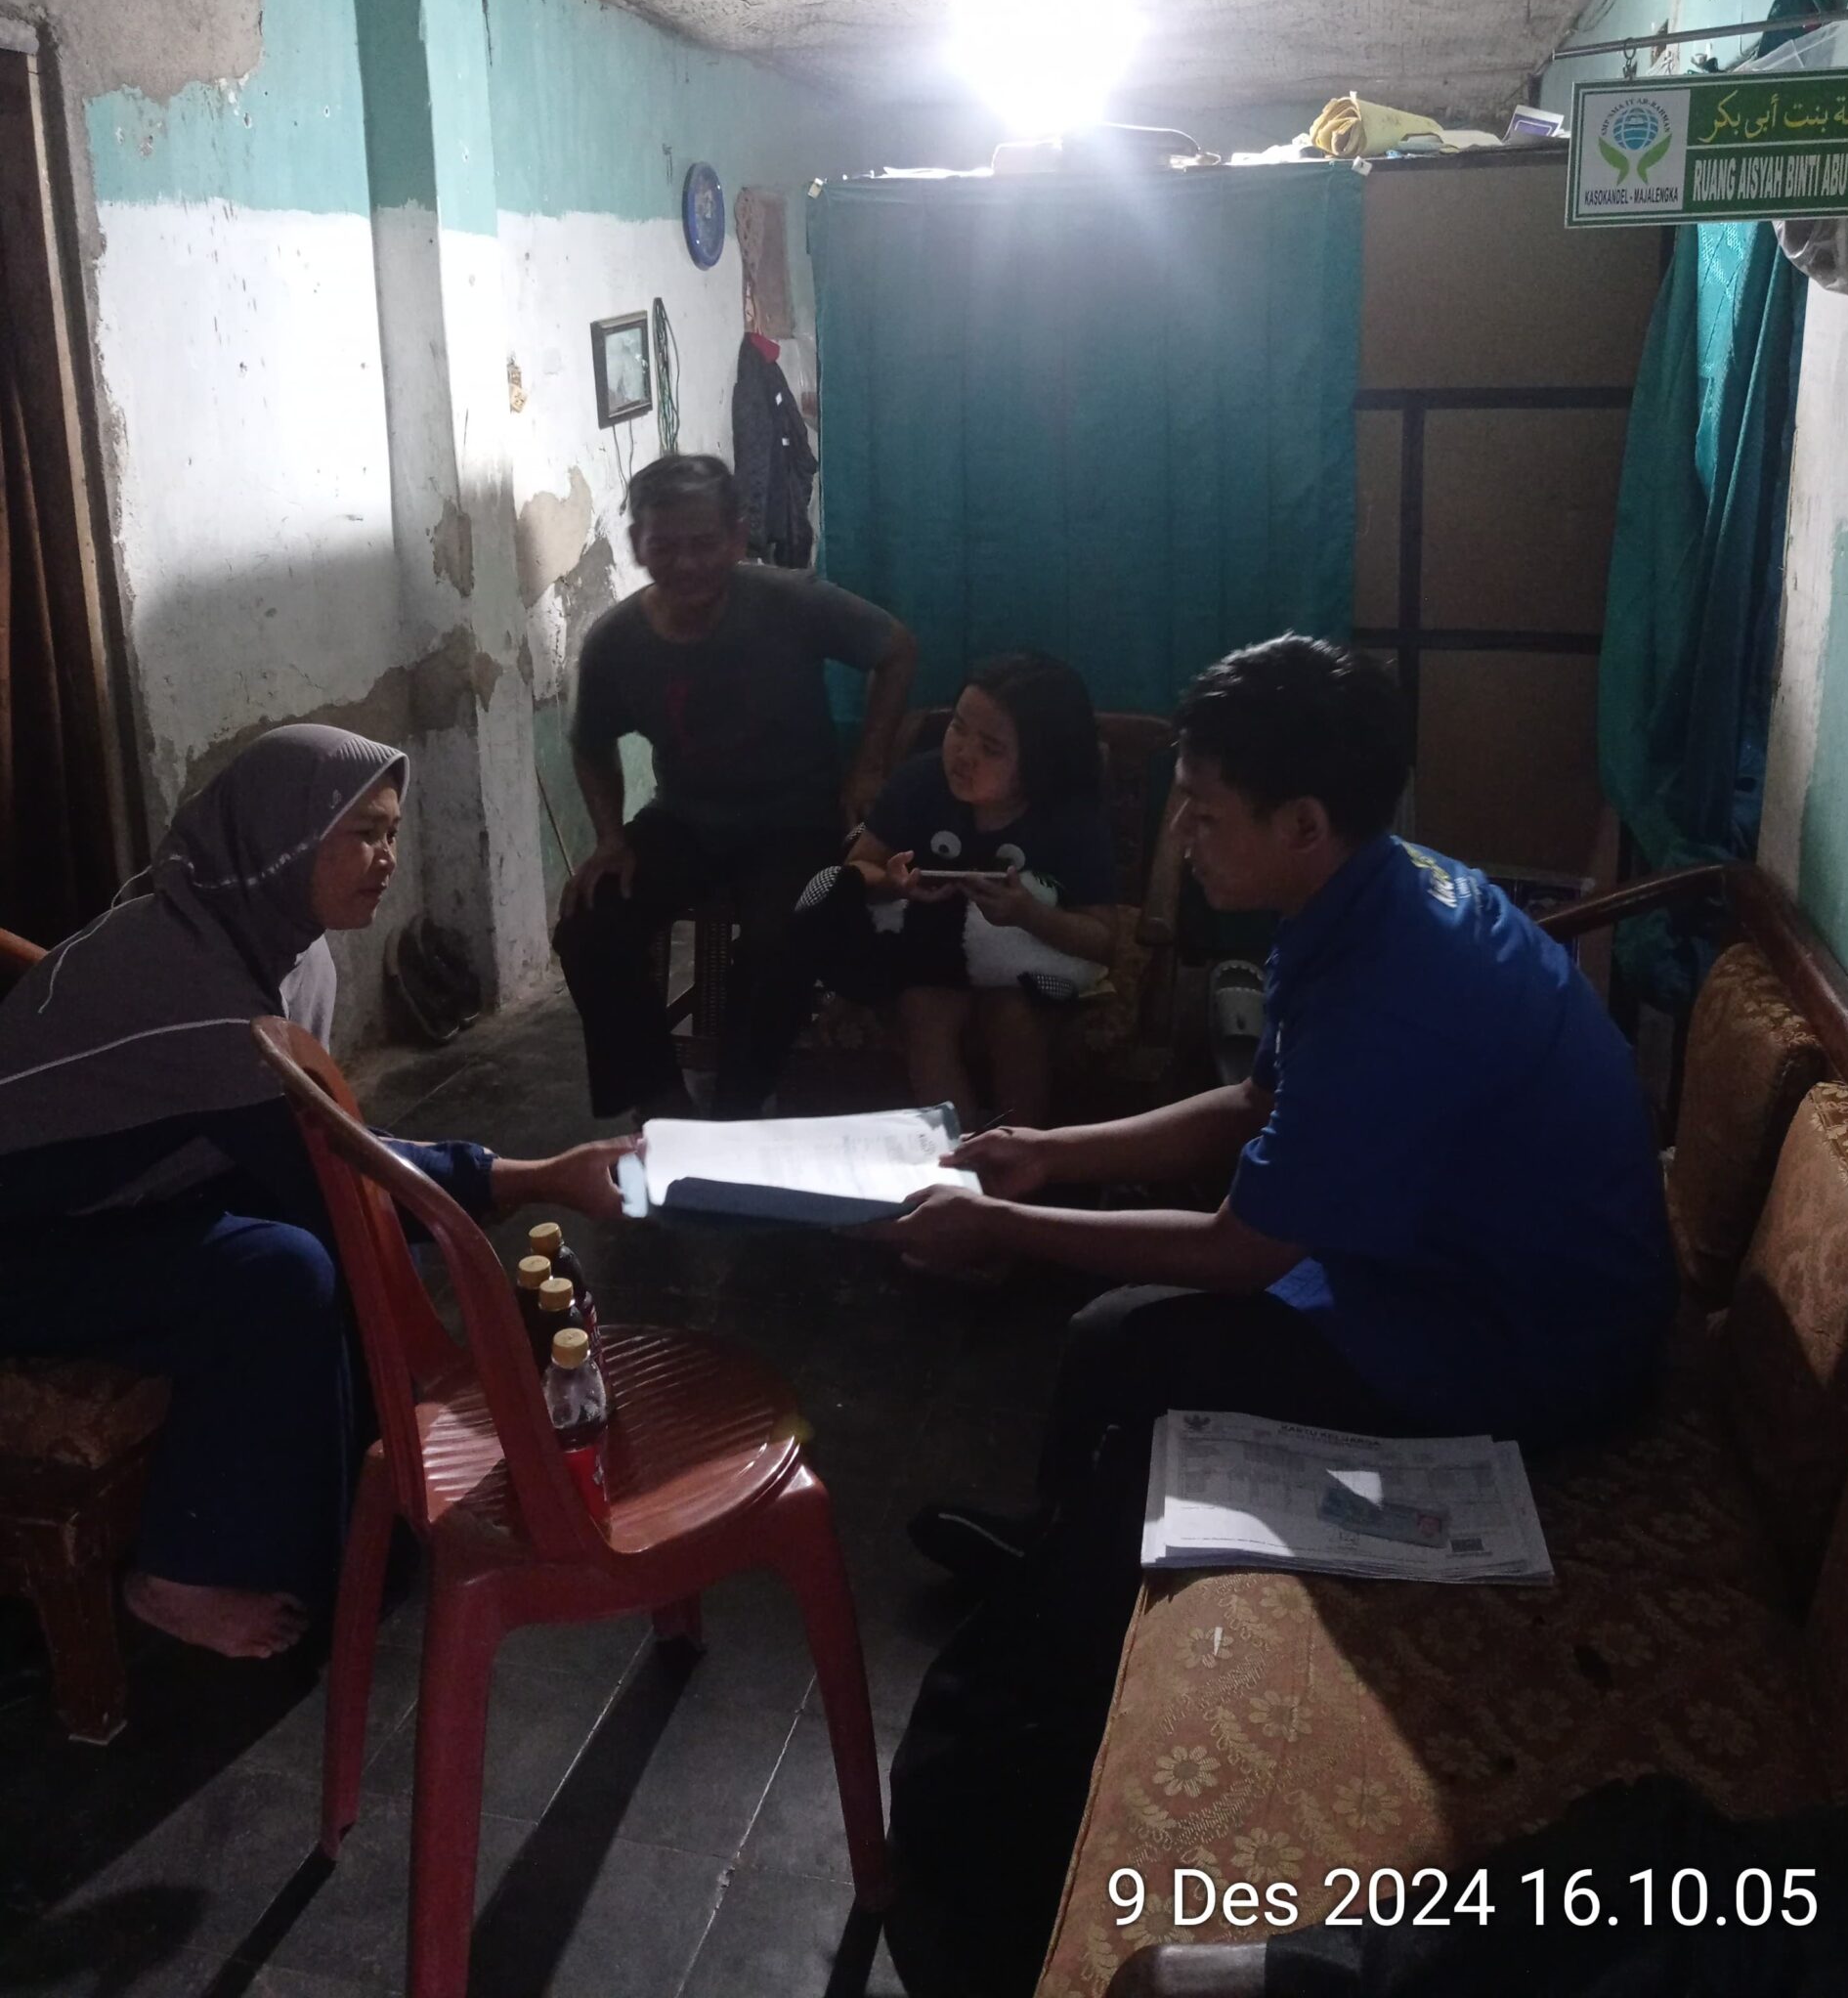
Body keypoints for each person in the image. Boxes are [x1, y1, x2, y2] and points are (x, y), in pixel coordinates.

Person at [884, 633, 1678, 1585]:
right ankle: (1070, 1547)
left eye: (1204, 812)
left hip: (1524, 1341)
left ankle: (1064, 1589)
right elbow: (1256, 1099)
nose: (1182, 834)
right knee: (1126, 1329)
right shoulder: (1375, 883)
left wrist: (1001, 1224)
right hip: (1455, 1258)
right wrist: (1051, 1152)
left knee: (1124, 1340)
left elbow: (1241, 1249)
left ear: (1302, 823)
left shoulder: (1389, 992)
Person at [0, 725, 627, 1662]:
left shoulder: (282, 948)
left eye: (392, 832)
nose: (387, 857)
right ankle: (177, 1575)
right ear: (280, 839)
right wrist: (535, 1179)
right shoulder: (192, 983)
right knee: (282, 1267)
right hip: (23, 1240)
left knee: (312, 1241)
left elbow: (322, 1147)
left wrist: (518, 1177)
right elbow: (337, 1170)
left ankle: (354, 1510)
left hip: (104, 1202)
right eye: (361, 834)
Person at [554, 451, 917, 1119]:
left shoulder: (790, 602)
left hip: (795, 820)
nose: (686, 563)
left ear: (736, 537)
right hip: (686, 819)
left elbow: (896, 648)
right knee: (589, 921)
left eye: (703, 543)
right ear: (636, 544)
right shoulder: (616, 641)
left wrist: (869, 766)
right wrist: (609, 838)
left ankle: (738, 1112)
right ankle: (660, 1105)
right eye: (665, 546)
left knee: (785, 933)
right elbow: (589, 740)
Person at [792, 652, 1119, 1127]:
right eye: (958, 728)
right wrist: (893, 884)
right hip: (931, 955)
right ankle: (957, 1155)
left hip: (1024, 966)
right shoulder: (921, 783)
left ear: (1040, 762)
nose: (962, 754)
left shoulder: (1068, 816)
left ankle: (1021, 1152)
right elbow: (858, 868)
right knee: (923, 1011)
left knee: (1015, 1020)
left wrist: (1028, 913)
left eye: (991, 748)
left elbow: (1103, 939)